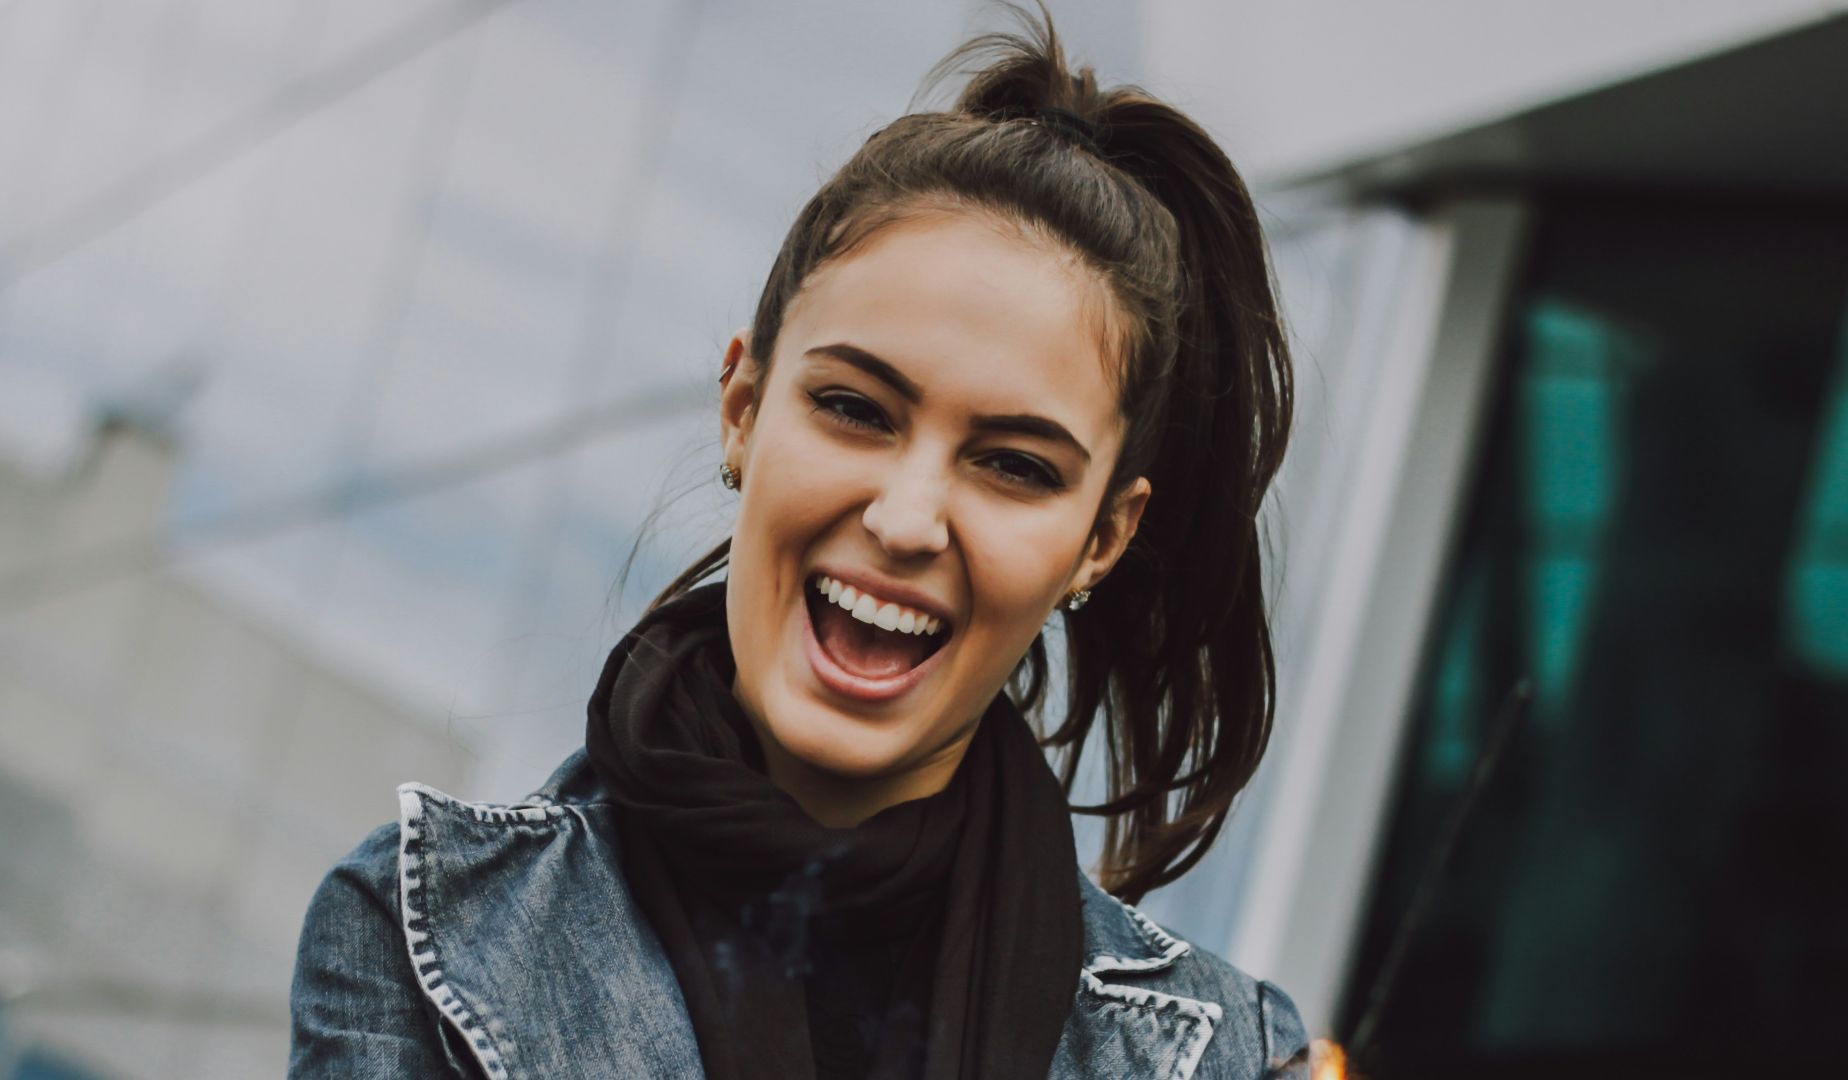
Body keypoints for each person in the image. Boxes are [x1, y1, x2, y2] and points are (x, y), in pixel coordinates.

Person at [288, 3, 1309, 1077]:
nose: (908, 520)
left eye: (1016, 466)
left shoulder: (1230, 1057)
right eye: (857, 409)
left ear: (1101, 539)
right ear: (743, 405)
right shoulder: (422, 934)